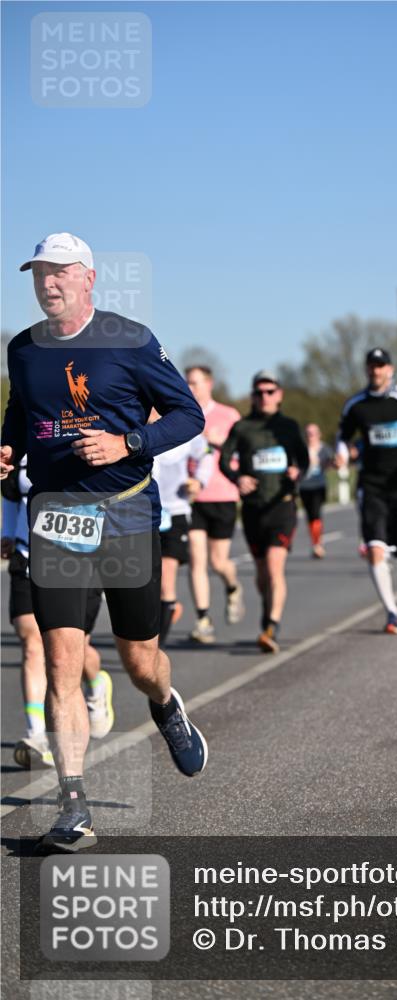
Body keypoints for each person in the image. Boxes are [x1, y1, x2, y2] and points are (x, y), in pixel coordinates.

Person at [0, 232, 208, 853]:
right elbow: (21, 418)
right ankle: (73, 805)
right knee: (62, 658)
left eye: (60, 272)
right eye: (39, 273)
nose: (48, 283)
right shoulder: (24, 350)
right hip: (57, 516)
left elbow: (188, 415)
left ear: (89, 278)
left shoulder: (132, 341)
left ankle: (167, 704)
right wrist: (9, 451)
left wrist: (129, 444)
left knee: (139, 658)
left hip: (125, 515)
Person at [1, 458, 114, 768]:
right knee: (32, 641)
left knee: (72, 650)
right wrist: (8, 533)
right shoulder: (19, 443)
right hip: (29, 554)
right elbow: (11, 492)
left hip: (82, 557)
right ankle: (37, 734)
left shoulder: (88, 431)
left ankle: (96, 684)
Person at [335, 348, 397, 635]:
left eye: (381, 366)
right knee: (375, 549)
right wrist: (342, 453)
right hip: (372, 485)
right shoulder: (356, 405)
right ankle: (392, 612)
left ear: (390, 369)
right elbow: (342, 436)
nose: (375, 371)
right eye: (371, 366)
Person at [220, 370, 308, 653]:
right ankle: (268, 611)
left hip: (281, 505)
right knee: (261, 575)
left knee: (274, 567)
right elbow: (223, 461)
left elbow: (304, 461)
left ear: (279, 394)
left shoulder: (290, 427)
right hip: (253, 509)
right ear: (253, 396)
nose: (265, 397)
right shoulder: (242, 427)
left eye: (270, 392)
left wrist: (298, 472)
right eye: (259, 393)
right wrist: (238, 479)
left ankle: (272, 626)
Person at [184, 365, 244, 643]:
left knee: (218, 561)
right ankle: (203, 620)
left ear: (209, 384)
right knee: (197, 559)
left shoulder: (228, 416)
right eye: (188, 383)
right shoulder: (181, 414)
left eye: (196, 383)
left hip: (223, 495)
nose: (191, 388)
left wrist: (218, 441)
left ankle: (232, 588)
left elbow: (245, 452)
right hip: (192, 497)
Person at [150, 411, 214, 647]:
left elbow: (207, 453)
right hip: (143, 513)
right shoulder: (133, 426)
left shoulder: (182, 429)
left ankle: (157, 646)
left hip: (175, 512)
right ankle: (164, 611)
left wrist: (199, 480)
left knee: (166, 579)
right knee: (146, 580)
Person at [300, 423, 334, 558]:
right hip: (304, 486)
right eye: (308, 433)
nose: (311, 436)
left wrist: (330, 463)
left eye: (313, 433)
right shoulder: (301, 448)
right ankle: (316, 543)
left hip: (319, 485)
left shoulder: (324, 448)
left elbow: (332, 462)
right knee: (310, 516)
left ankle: (317, 545)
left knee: (315, 514)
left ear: (319, 434)